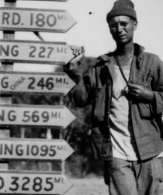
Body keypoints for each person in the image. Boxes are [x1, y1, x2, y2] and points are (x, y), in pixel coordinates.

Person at [65, 0, 163, 194]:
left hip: (150, 150)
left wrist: (150, 95)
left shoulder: (152, 63)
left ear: (135, 25)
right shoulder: (101, 65)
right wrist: (74, 70)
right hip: (116, 152)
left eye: (124, 24)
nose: (119, 29)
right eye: (113, 25)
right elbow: (79, 98)